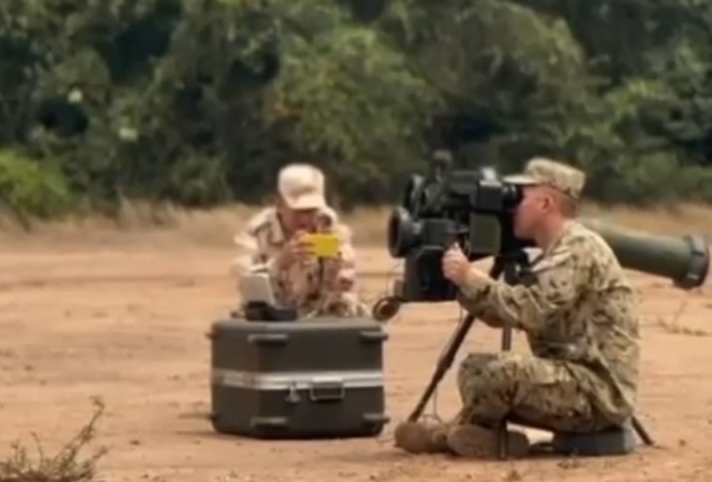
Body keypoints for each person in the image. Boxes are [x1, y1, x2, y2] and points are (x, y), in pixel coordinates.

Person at [392, 158, 640, 459]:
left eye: (520, 197)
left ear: (545, 203)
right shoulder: (556, 251)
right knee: (474, 369)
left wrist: (471, 278)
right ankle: (480, 437)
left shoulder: (578, 249)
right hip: (572, 378)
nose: (513, 206)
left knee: (503, 374)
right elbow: (503, 315)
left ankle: (455, 436)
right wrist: (463, 285)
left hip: (597, 394)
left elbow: (532, 311)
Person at [230, 163, 369, 319]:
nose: (305, 219)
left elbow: (347, 265)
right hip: (272, 315)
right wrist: (280, 262)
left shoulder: (328, 225)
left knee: (352, 306)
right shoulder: (257, 232)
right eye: (299, 211)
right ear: (279, 203)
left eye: (311, 210)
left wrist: (341, 276)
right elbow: (245, 281)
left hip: (318, 313)